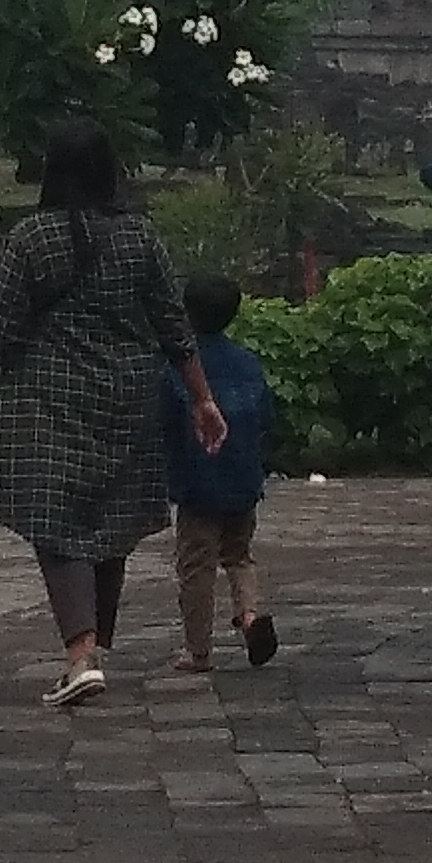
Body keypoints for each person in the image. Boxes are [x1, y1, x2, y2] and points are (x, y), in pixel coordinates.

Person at [0, 116, 229, 709]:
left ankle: (81, 653)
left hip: (50, 395)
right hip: (128, 393)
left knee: (55, 520)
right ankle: (91, 644)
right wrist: (202, 399)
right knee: (111, 516)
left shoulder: (32, 238)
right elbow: (174, 328)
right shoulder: (139, 237)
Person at [164, 274, 279, 671]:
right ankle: (248, 615)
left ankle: (197, 649)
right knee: (239, 556)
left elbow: (165, 418)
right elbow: (266, 416)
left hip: (198, 484)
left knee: (196, 567)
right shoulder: (246, 363)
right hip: (243, 478)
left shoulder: (181, 367)